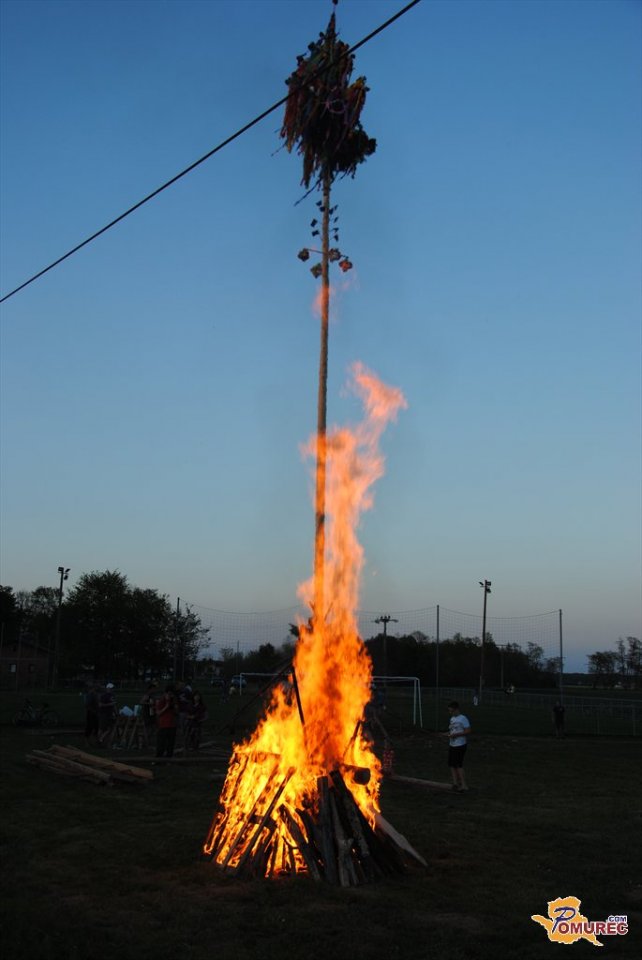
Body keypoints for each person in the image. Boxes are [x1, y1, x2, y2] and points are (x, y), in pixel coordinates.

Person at [445, 700, 471, 792]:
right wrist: (447, 734)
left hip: (460, 745)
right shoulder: (452, 719)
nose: (450, 713)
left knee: (459, 765)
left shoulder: (463, 718)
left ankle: (464, 785)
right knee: (452, 764)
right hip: (452, 744)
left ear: (457, 709)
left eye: (452, 711)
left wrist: (456, 735)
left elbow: (468, 731)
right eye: (449, 711)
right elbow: (452, 731)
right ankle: (455, 783)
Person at [155, 685, 178, 758]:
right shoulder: (161, 701)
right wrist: (166, 706)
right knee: (161, 743)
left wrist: (175, 707)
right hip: (163, 725)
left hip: (172, 725)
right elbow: (158, 713)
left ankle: (169, 758)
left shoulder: (174, 701)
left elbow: (177, 712)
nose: (170, 696)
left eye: (172, 694)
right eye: (169, 694)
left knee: (170, 744)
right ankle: (159, 759)